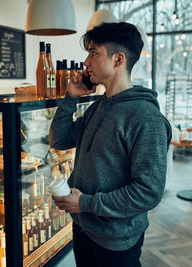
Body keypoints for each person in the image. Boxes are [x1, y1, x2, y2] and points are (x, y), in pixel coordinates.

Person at [49, 22, 172, 267]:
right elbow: (59, 140)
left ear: (118, 59)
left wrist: (85, 203)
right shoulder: (98, 106)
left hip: (117, 240)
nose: (85, 62)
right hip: (84, 228)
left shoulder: (146, 118)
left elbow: (148, 192)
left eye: (93, 52)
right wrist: (71, 97)